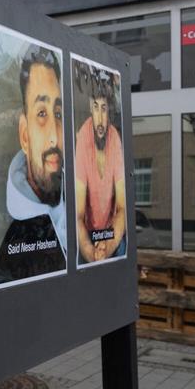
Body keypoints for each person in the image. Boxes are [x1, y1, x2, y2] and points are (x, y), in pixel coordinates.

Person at [0, 46, 67, 283]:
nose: (55, 137)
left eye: (58, 113)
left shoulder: (78, 196)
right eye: (42, 114)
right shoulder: (5, 234)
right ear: (24, 135)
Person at [75, 73, 126, 263]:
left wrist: (108, 246)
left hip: (111, 231)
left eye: (104, 109)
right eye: (96, 108)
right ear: (90, 108)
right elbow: (78, 214)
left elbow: (122, 207)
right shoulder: (82, 138)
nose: (100, 118)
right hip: (88, 233)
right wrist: (90, 251)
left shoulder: (115, 139)